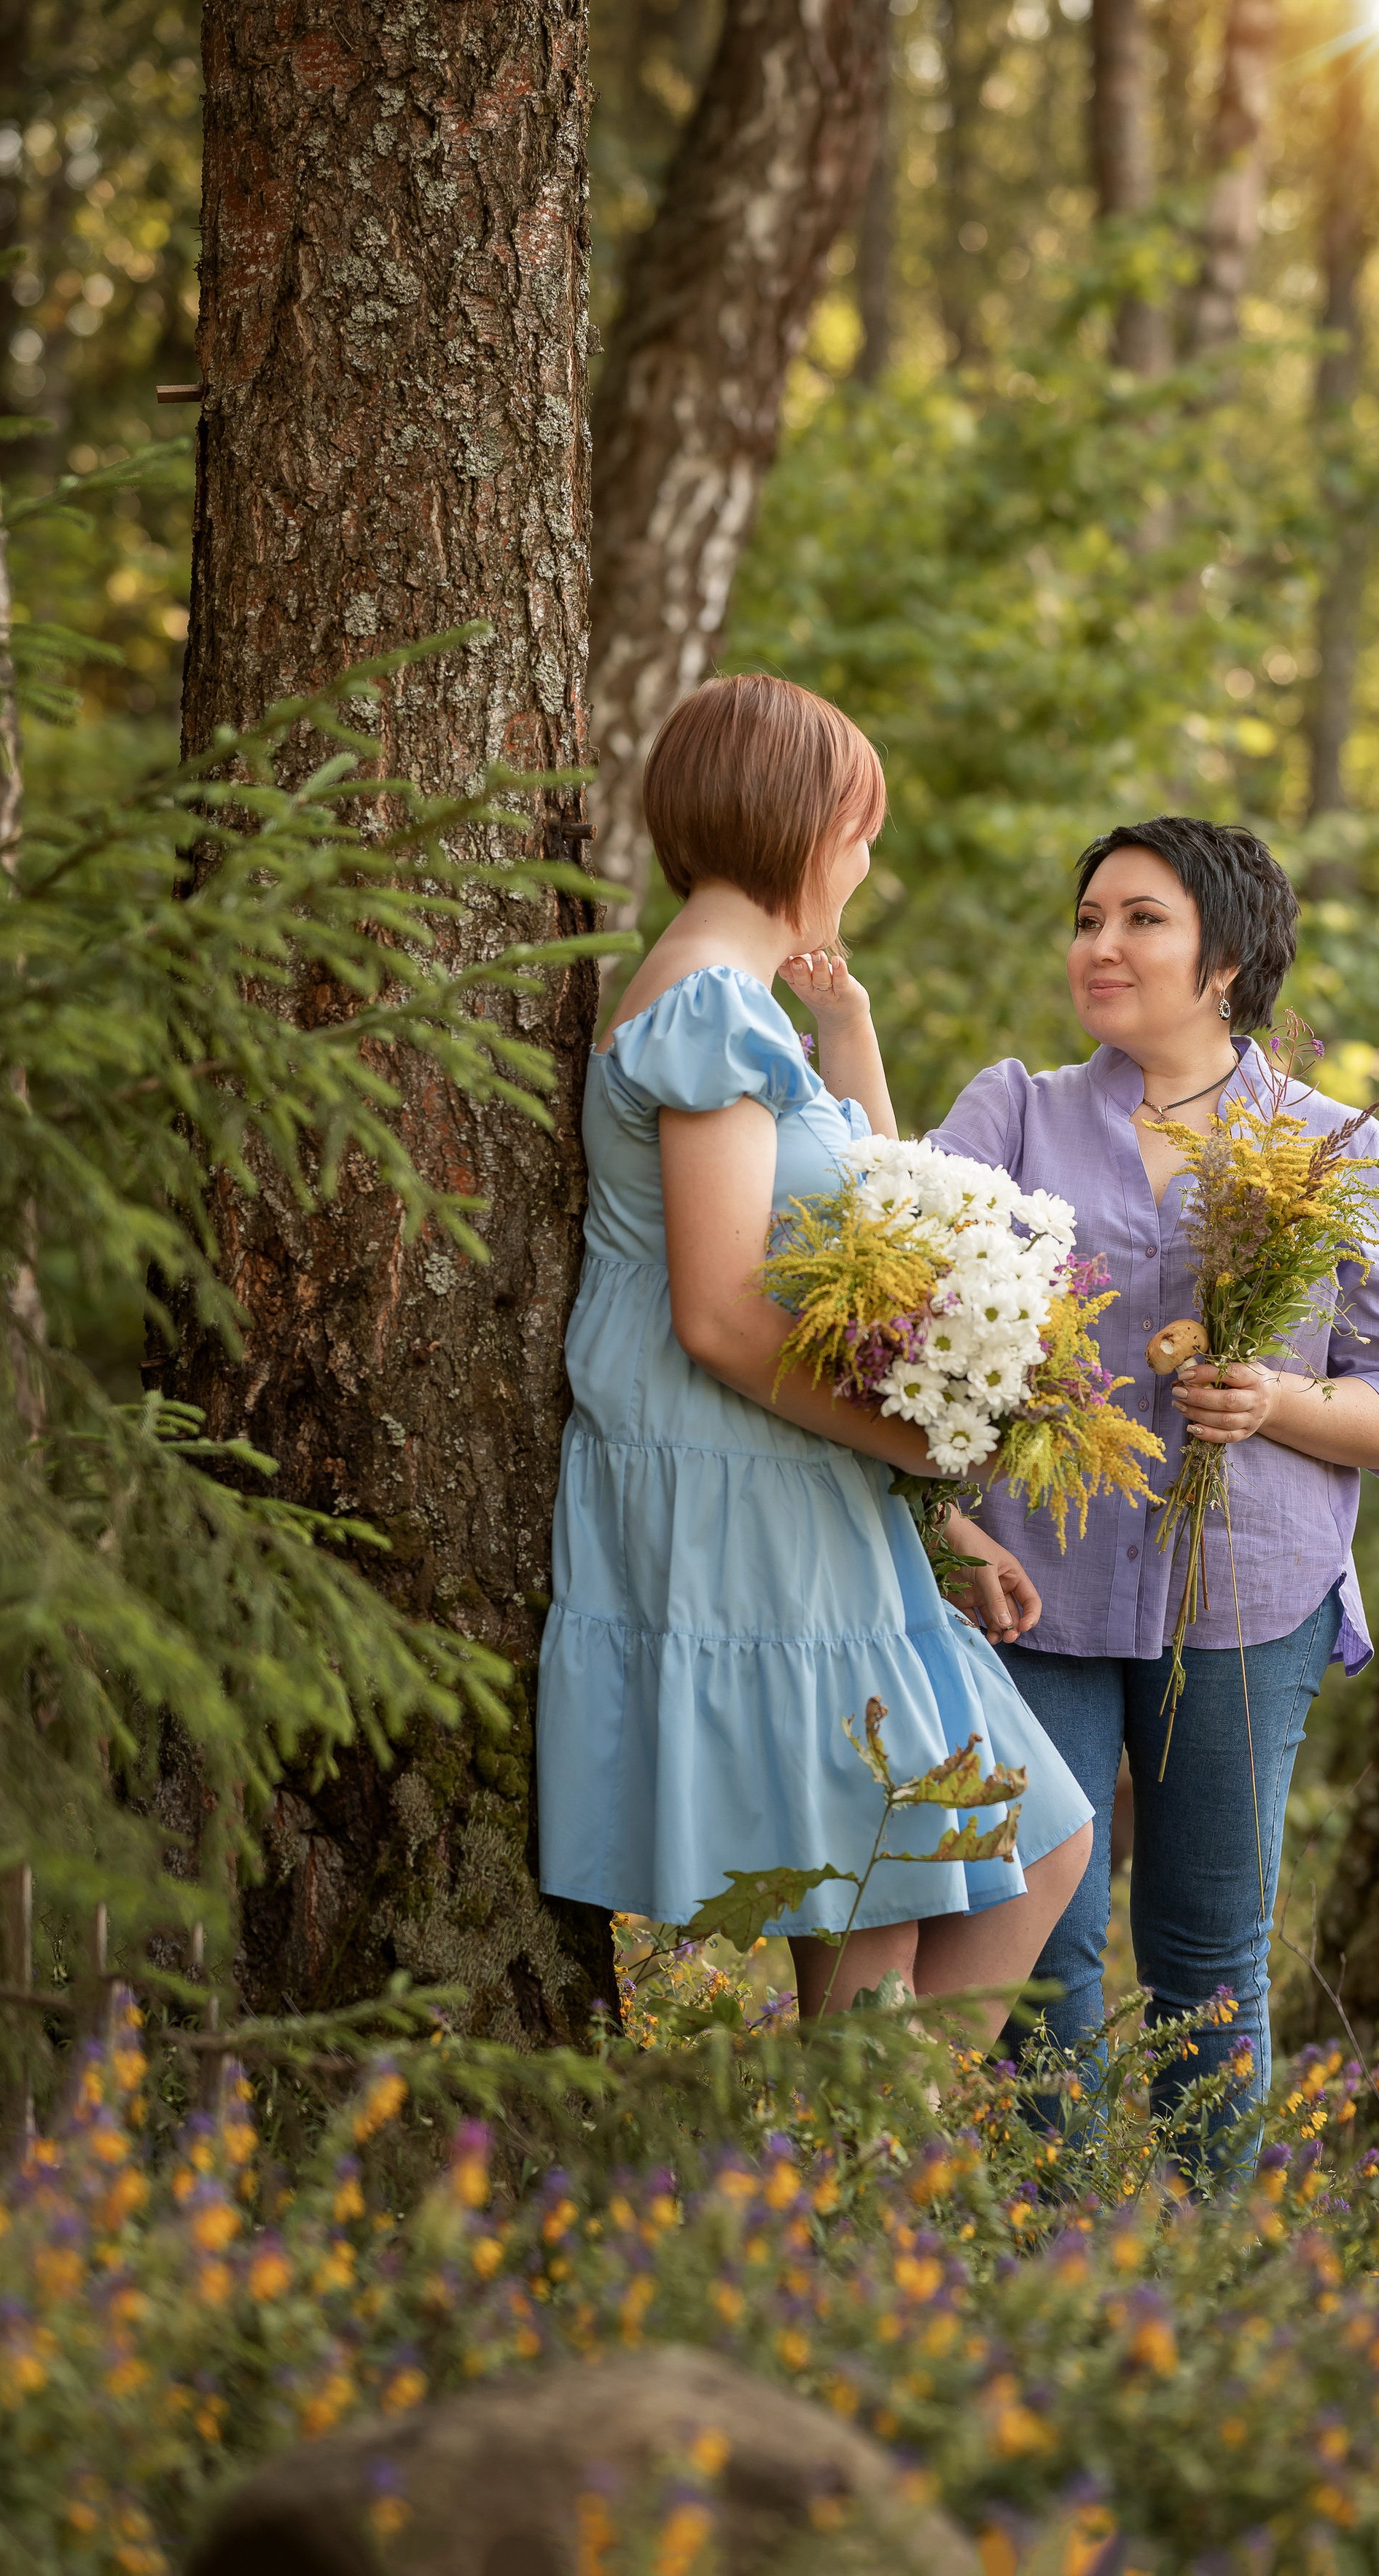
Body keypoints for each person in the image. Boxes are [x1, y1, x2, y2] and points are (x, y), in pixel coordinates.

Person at [536, 675, 1093, 2045]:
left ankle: (850, 2187)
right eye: (861, 826)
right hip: (737, 1492)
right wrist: (922, 1444)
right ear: (798, 819)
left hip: (802, 1486)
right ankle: (852, 2205)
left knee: (1032, 1841)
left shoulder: (745, 1013)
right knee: (886, 1900)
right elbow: (724, 1314)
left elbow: (841, 1268)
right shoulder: (709, 1013)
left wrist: (940, 1508)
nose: (867, 858)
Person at [929, 816, 1379, 2109]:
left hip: (1245, 1602)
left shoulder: (1340, 1152)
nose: (1100, 944)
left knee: (1208, 1959)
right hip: (1033, 1588)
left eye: (1140, 919)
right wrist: (941, 1513)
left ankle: (1197, 2284)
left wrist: (1270, 1399)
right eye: (1088, 918)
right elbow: (899, 1326)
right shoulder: (1013, 1116)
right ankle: (1048, 2260)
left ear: (1226, 960)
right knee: (1041, 1944)